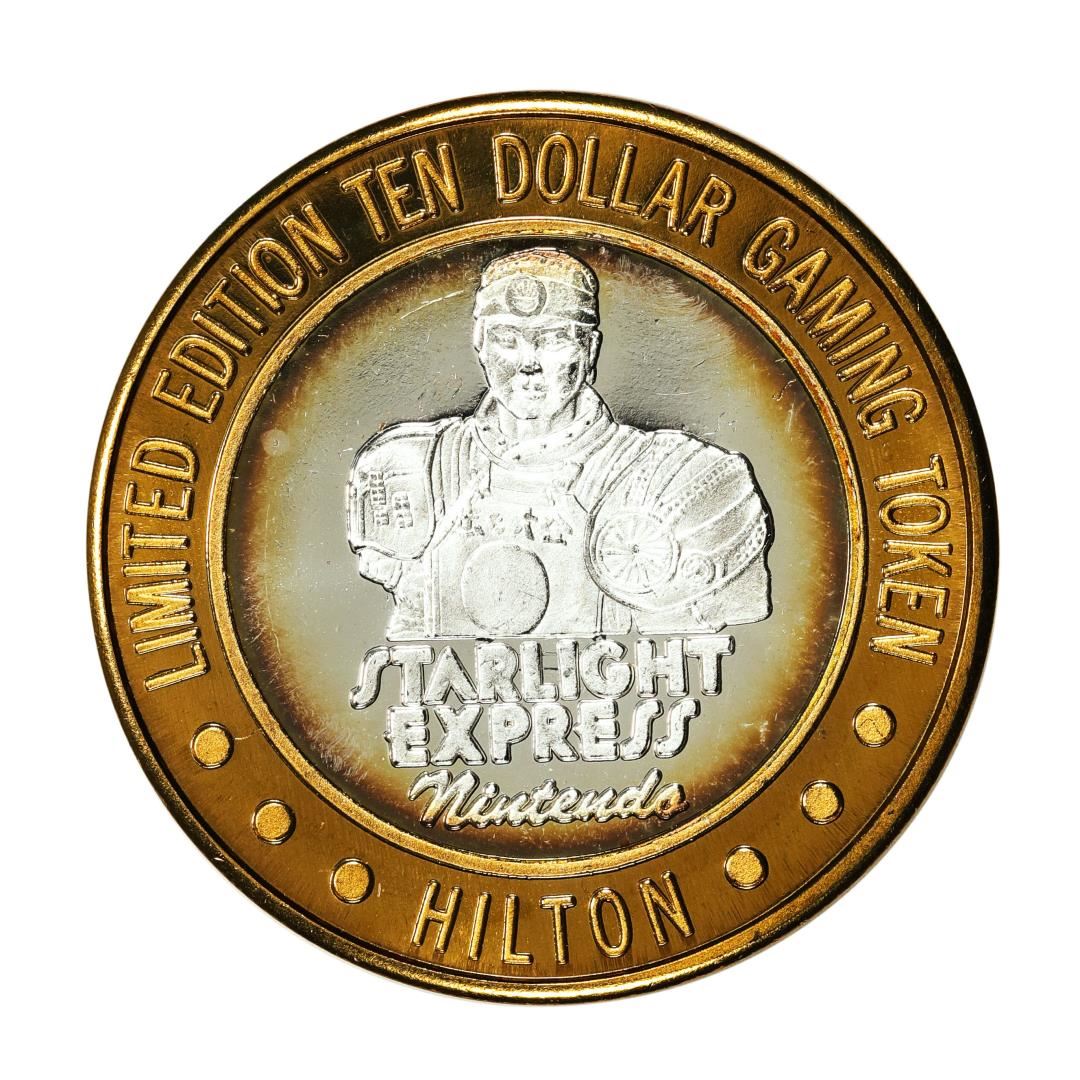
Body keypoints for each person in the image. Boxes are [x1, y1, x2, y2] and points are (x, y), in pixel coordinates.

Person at [346, 248, 771, 640]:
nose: (528, 362)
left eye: (552, 339)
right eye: (507, 339)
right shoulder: (410, 468)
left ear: (590, 351)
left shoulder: (678, 479)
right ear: (480, 346)